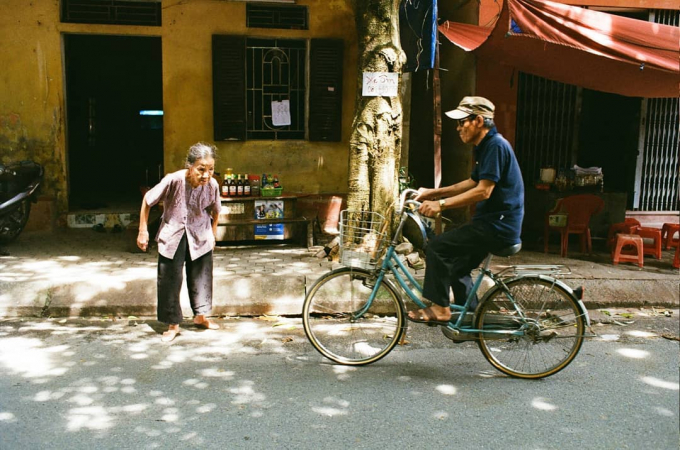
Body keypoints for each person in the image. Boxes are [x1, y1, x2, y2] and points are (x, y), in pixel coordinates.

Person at [407, 96, 524, 324]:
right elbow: (472, 182)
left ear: (479, 121)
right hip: (491, 223)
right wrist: (433, 192)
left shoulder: (496, 146)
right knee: (457, 267)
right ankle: (470, 318)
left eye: (462, 122)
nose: (458, 128)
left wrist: (440, 205)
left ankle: (440, 309)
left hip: (497, 226)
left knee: (437, 248)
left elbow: (483, 191)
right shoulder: (485, 146)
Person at [137, 142, 222, 341]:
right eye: (201, 169)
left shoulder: (212, 184)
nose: (206, 175)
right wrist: (143, 231)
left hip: (200, 234)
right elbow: (148, 200)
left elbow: (216, 210)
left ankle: (200, 317)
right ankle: (173, 323)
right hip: (173, 234)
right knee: (170, 279)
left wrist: (213, 233)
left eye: (210, 169)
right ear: (190, 166)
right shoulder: (173, 180)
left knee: (201, 277)